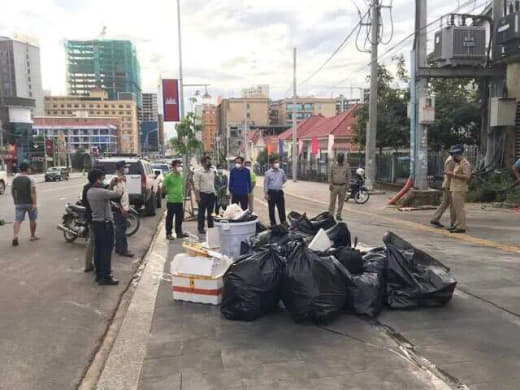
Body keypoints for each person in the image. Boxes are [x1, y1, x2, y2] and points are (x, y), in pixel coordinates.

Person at [87, 169, 122, 285]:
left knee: (98, 250)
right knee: (106, 251)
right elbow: (117, 194)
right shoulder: (100, 192)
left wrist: (111, 185)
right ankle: (106, 276)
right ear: (97, 179)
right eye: (102, 178)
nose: (103, 181)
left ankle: (99, 275)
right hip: (105, 225)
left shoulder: (90, 191)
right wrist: (119, 183)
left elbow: (105, 193)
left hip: (97, 223)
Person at [11, 162, 39, 246]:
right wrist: (34, 203)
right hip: (30, 203)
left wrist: (15, 200)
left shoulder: (15, 178)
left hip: (19, 203)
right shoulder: (31, 179)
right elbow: (33, 192)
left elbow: (12, 190)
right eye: (29, 168)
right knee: (32, 220)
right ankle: (32, 236)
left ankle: (15, 236)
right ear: (27, 169)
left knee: (17, 221)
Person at [447, 144, 472, 234]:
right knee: (456, 209)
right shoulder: (458, 163)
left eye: (454, 155)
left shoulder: (465, 164)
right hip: (455, 188)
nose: (453, 157)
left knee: (459, 209)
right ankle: (457, 225)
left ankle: (461, 227)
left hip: (460, 189)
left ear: (459, 154)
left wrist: (453, 175)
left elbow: (467, 176)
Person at [112, 161, 135, 257]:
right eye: (125, 167)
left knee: (120, 229)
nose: (126, 169)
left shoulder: (122, 179)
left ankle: (119, 248)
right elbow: (115, 196)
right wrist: (122, 208)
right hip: (119, 209)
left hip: (123, 208)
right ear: (120, 168)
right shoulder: (116, 180)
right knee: (121, 230)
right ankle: (123, 250)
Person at [163, 160, 188, 240]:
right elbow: (163, 187)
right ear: (173, 167)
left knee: (179, 218)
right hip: (171, 201)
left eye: (180, 166)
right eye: (177, 166)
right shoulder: (169, 177)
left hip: (179, 200)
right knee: (170, 218)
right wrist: (168, 193)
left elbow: (184, 185)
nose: (179, 168)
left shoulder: (181, 176)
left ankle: (179, 233)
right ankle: (168, 234)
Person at [430, 154, 456, 229]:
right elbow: (449, 174)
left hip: (447, 184)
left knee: (445, 203)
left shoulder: (451, 159)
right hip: (449, 185)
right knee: (453, 204)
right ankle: (453, 223)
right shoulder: (451, 160)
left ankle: (435, 218)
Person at [194, 156, 216, 234]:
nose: (209, 163)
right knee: (201, 213)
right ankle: (201, 228)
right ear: (203, 163)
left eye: (210, 161)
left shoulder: (212, 171)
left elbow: (213, 183)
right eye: (208, 161)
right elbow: (196, 185)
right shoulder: (198, 172)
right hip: (203, 195)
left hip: (211, 194)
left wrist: (215, 193)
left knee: (211, 213)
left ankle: (211, 226)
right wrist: (197, 197)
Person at [264, 157, 287, 226]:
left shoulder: (282, 171)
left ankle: (283, 223)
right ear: (272, 164)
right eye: (275, 162)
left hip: (279, 192)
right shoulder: (268, 173)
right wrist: (266, 193)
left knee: (281, 209)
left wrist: (278, 185)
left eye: (278, 162)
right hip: (271, 193)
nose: (277, 164)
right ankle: (273, 224)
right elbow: (266, 184)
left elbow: (284, 180)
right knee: (271, 210)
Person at [328, 153, 351, 221]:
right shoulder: (333, 165)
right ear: (337, 158)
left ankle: (338, 215)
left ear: (343, 158)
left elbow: (348, 176)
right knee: (332, 202)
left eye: (341, 158)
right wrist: (330, 184)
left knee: (341, 202)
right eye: (339, 158)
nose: (340, 159)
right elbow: (330, 175)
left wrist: (347, 185)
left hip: (343, 186)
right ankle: (330, 215)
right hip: (334, 186)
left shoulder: (347, 166)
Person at [82, 170, 97, 272]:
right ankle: (89, 265)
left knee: (91, 240)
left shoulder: (86, 187)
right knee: (93, 241)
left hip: (89, 215)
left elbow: (84, 202)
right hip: (95, 216)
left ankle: (88, 264)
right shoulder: (95, 188)